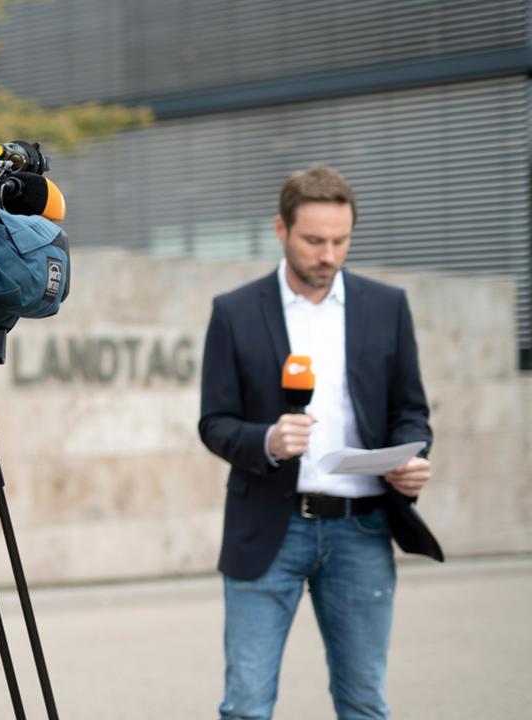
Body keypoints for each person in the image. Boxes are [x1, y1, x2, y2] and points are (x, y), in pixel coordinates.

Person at [198, 164, 443, 719]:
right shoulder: (234, 312)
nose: (328, 255)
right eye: (314, 240)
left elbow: (411, 411)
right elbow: (214, 422)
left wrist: (412, 457)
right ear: (281, 231)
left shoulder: (387, 307)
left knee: (363, 704)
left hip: (363, 528)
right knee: (245, 707)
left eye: (340, 240)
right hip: (267, 530)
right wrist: (267, 440)